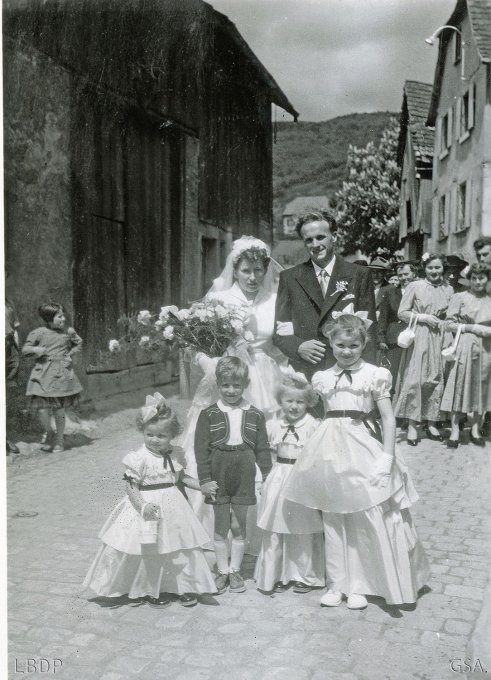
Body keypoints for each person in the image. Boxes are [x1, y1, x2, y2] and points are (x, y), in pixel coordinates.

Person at [283, 312, 429, 609]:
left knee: (364, 514)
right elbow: (317, 412)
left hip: (362, 447)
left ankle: (361, 584)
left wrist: (387, 459)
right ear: (331, 344)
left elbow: (388, 418)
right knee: (333, 516)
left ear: (363, 345)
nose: (346, 352)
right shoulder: (322, 378)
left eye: (353, 346)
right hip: (329, 451)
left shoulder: (374, 375)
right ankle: (338, 582)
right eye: (340, 346)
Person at [179, 236, 284, 550]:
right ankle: (205, 537)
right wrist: (212, 363)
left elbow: (281, 345)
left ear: (267, 270)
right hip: (224, 378)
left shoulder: (275, 299)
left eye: (258, 270)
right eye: (245, 270)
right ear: (234, 270)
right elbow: (193, 345)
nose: (252, 277)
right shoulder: (219, 299)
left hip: (265, 379)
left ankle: (257, 541)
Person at [83, 394, 216, 608]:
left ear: (172, 435)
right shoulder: (139, 457)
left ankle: (182, 586)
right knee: (145, 548)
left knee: (176, 547)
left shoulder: (176, 454)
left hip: (174, 507)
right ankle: (140, 588)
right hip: (146, 507)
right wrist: (142, 506)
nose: (154, 440)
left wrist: (203, 486)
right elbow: (131, 486)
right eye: (149, 434)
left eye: (161, 436)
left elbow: (181, 478)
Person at [194, 357, 272, 595]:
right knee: (220, 527)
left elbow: (262, 448)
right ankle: (222, 570)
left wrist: (268, 475)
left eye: (236, 386)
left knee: (238, 527)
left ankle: (235, 570)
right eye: (226, 385)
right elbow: (201, 451)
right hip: (219, 473)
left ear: (245, 384)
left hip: (244, 474)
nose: (231, 390)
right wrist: (205, 479)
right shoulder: (208, 414)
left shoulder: (255, 414)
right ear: (218, 384)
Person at [273, 209, 376, 381]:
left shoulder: (359, 275)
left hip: (349, 372)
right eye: (308, 240)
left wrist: (369, 377)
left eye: (320, 237)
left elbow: (370, 330)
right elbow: (279, 331)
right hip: (306, 374)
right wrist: (298, 347)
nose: (315, 244)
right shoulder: (290, 278)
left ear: (334, 236)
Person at [254, 369, 324, 594]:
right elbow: (267, 453)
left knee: (303, 528)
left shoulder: (313, 425)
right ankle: (276, 574)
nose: (294, 406)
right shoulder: (274, 425)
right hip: (279, 476)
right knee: (277, 525)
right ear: (281, 401)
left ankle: (305, 575)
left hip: (302, 477)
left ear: (308, 403)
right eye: (289, 401)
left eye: (300, 402)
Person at [393, 254, 454, 445]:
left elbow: (452, 314)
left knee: (435, 378)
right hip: (420, 335)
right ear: (424, 269)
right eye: (430, 268)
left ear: (443, 269)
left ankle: (432, 422)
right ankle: (412, 425)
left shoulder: (448, 288)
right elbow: (402, 312)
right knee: (416, 379)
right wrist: (423, 318)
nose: (434, 272)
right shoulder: (415, 286)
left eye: (438, 268)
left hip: (440, 336)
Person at [441, 264, 491, 448]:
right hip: (466, 345)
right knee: (459, 386)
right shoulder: (459, 297)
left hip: (487, 347)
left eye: (482, 278)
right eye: (474, 278)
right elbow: (448, 324)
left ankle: (476, 429)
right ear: (469, 279)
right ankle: (455, 431)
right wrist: (471, 328)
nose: (478, 282)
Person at [22, 303, 83, 452]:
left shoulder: (69, 331)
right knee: (42, 410)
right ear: (49, 319)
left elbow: (79, 343)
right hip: (42, 375)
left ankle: (59, 441)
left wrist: (69, 355)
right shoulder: (38, 333)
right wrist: (36, 349)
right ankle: (49, 433)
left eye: (63, 315)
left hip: (59, 375)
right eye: (59, 316)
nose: (64, 318)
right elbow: (25, 349)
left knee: (59, 410)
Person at [377, 262, 418, 393]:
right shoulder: (390, 292)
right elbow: (383, 317)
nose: (403, 278)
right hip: (395, 339)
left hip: (417, 337)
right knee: (394, 373)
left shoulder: (421, 290)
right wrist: (381, 339)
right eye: (400, 275)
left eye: (406, 274)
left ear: (414, 274)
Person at [5, 288, 21, 454]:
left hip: (8, 349)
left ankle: (6, 439)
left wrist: (18, 350)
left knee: (7, 397)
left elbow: (15, 330)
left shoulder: (8, 303)